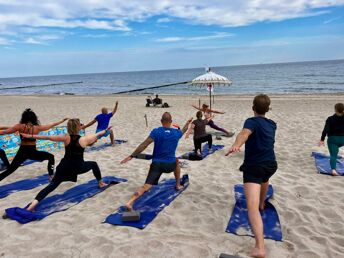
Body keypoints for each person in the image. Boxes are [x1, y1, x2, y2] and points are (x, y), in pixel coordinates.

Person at [225, 94, 277, 258]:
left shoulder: (251, 121)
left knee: (251, 207)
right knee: (265, 179)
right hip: (271, 165)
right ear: (268, 109)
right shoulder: (272, 124)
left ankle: (260, 247)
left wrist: (236, 144)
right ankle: (263, 203)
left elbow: (245, 133)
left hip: (254, 167)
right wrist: (239, 142)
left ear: (253, 107)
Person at [23, 118, 109, 211]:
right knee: (94, 164)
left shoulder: (65, 137)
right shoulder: (84, 139)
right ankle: (100, 183)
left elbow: (46, 137)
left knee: (52, 185)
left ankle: (33, 204)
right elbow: (98, 134)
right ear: (78, 127)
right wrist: (106, 130)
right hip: (78, 167)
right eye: (80, 125)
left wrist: (29, 135)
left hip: (64, 167)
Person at [120, 112, 192, 210]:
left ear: (161, 121)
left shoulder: (156, 132)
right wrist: (187, 123)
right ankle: (178, 185)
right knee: (176, 161)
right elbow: (183, 131)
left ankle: (130, 202)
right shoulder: (176, 133)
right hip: (169, 165)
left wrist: (132, 155)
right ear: (171, 122)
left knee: (146, 186)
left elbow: (144, 144)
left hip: (156, 165)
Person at [0, 109, 68, 182]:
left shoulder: (19, 126)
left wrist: (61, 121)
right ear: (34, 118)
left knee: (10, 170)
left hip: (22, 152)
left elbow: (5, 132)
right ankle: (51, 175)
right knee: (51, 157)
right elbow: (51, 125)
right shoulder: (37, 127)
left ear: (23, 117)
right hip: (33, 152)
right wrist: (61, 121)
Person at [319, 103, 344, 176]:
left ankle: (333, 170)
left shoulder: (330, 119)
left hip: (333, 140)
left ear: (335, 110)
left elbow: (325, 130)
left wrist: (322, 140)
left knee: (333, 155)